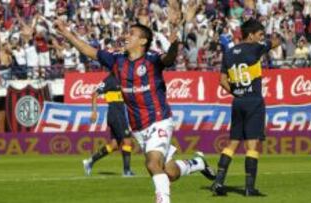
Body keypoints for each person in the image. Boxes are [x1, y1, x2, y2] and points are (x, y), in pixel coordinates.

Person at [54, 4, 215, 203]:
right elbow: (88, 50)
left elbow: (169, 57)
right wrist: (65, 32)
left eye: (131, 33)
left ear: (143, 40)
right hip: (138, 127)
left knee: (152, 164)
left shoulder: (152, 60)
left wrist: (174, 44)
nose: (126, 36)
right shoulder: (117, 60)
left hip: (159, 120)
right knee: (169, 172)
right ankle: (197, 163)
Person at [211, 19, 280, 196]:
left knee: (232, 143)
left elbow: (222, 81)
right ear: (251, 35)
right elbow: (276, 42)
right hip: (254, 102)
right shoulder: (256, 48)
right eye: (259, 34)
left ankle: (218, 182)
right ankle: (249, 188)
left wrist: (236, 92)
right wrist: (272, 39)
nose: (261, 38)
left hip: (238, 102)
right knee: (251, 145)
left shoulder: (229, 52)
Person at [82, 73, 135, 177]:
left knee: (114, 145)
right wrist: (94, 112)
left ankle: (90, 161)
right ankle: (127, 171)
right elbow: (95, 94)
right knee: (127, 140)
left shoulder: (124, 78)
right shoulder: (110, 79)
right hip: (115, 114)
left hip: (119, 115)